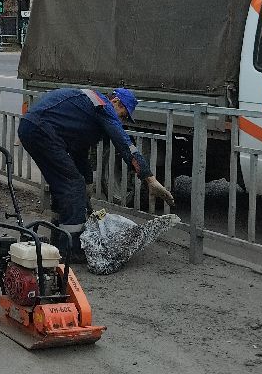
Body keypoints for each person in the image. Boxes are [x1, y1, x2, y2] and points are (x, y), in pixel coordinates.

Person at [17, 86, 174, 262]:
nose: (121, 120)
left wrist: (88, 183)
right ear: (116, 102)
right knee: (72, 186)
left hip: (31, 127)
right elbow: (124, 143)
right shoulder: (104, 107)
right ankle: (71, 249)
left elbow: (79, 151)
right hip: (41, 129)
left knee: (62, 183)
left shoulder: (87, 107)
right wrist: (149, 178)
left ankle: (58, 236)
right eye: (123, 115)